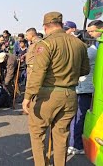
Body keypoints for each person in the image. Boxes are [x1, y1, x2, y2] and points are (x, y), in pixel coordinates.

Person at [22, 11, 90, 166]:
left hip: (48, 94)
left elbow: (38, 73)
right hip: (70, 94)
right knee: (61, 136)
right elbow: (85, 70)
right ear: (61, 24)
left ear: (45, 27)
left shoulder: (45, 43)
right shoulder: (79, 44)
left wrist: (27, 97)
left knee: (38, 134)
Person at [68, 20, 100, 155]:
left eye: (92, 31)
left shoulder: (94, 48)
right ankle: (75, 144)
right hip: (84, 89)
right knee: (79, 117)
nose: (90, 34)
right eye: (89, 32)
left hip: (86, 88)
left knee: (79, 117)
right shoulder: (92, 51)